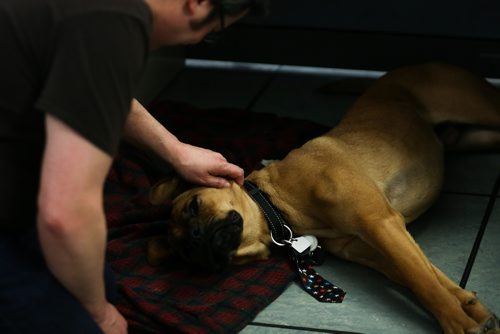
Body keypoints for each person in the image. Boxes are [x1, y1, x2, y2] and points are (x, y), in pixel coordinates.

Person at [0, 0, 269, 333]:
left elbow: (93, 82)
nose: (197, 42)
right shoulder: (114, 24)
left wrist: (176, 151)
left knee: (97, 285)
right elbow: (65, 214)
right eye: (211, 31)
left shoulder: (106, 14)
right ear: (198, 4)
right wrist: (97, 314)